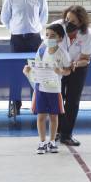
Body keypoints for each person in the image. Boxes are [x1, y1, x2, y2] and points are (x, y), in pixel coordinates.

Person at [0, 0, 49, 115]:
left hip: (35, 39)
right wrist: (15, 29)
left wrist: (35, 28)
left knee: (36, 71)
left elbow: (44, 16)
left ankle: (37, 104)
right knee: (16, 72)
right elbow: (5, 18)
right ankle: (15, 106)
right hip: (17, 39)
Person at [23, 24, 71, 154]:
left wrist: (61, 70)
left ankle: (52, 141)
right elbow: (36, 66)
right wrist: (28, 70)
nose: (49, 38)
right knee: (41, 116)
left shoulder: (63, 54)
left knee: (54, 117)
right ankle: (42, 142)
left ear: (60, 38)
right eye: (47, 35)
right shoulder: (41, 50)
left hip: (54, 90)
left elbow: (68, 71)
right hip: (40, 88)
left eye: (53, 35)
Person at [55, 5, 91, 146]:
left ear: (81, 23)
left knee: (72, 100)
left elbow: (86, 59)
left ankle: (66, 135)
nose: (68, 23)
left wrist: (74, 65)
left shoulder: (87, 35)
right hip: (58, 67)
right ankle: (56, 131)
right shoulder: (57, 27)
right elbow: (48, 48)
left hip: (78, 67)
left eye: (73, 22)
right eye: (67, 19)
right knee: (57, 98)